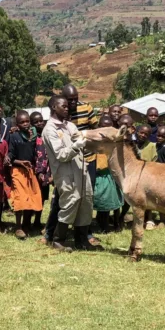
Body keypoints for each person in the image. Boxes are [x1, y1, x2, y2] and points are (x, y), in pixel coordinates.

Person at [43, 96, 96, 252]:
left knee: (85, 202)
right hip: (65, 173)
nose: (67, 108)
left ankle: (81, 240)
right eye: (63, 106)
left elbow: (78, 137)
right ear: (54, 107)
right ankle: (58, 240)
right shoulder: (50, 129)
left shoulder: (70, 125)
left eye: (67, 106)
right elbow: (61, 155)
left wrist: (83, 141)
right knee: (70, 203)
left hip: (80, 168)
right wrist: (76, 146)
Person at [61, 84, 101, 247]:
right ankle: (61, 230)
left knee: (87, 197)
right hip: (68, 160)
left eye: (75, 99)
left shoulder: (87, 108)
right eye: (69, 100)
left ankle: (86, 231)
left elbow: (95, 130)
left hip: (88, 159)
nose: (72, 103)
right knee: (67, 196)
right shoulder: (60, 112)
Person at [8, 111, 43, 240]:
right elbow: (11, 155)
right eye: (22, 122)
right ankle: (18, 227)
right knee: (20, 198)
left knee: (31, 197)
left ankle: (26, 224)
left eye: (27, 121)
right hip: (18, 170)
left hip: (30, 171)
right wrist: (18, 162)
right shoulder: (14, 136)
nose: (25, 124)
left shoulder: (33, 134)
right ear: (17, 124)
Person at [93, 116, 124, 233]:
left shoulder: (115, 142)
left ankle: (116, 223)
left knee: (115, 201)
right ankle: (103, 225)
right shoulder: (95, 141)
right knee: (102, 201)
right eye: (103, 126)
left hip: (111, 175)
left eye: (109, 127)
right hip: (99, 175)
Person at [30, 111, 51, 232]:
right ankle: (28, 221)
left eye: (40, 121)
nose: (39, 123)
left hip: (46, 171)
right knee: (34, 196)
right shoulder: (31, 137)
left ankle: (37, 221)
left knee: (42, 197)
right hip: (34, 171)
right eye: (35, 122)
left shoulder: (47, 135)